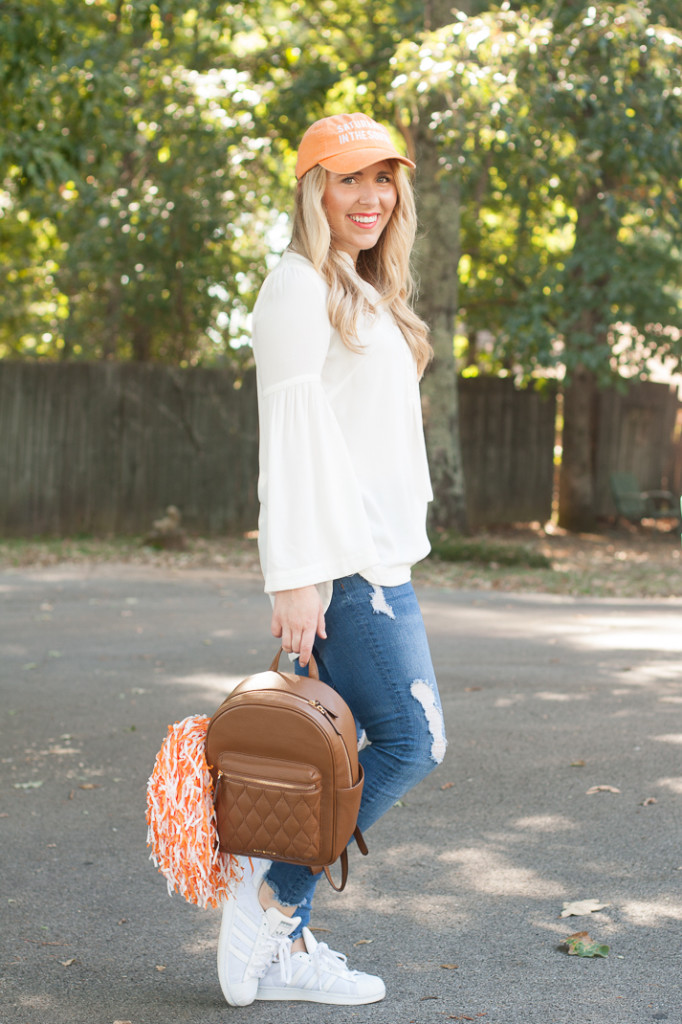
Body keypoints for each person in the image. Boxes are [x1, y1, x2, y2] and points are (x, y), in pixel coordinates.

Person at [217, 111, 447, 1007]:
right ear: (314, 188)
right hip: (346, 566)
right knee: (411, 742)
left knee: (339, 756)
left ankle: (287, 947)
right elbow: (290, 437)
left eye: (384, 178)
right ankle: (272, 896)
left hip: (381, 559)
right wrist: (295, 574)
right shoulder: (296, 286)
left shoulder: (357, 286)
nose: (372, 196)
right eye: (350, 179)